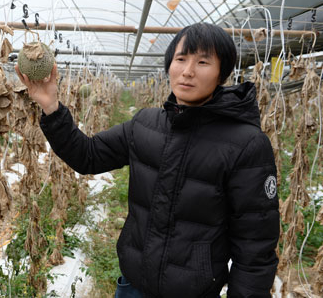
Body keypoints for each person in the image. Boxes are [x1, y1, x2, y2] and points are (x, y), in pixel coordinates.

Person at [15, 23, 280, 298]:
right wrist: (51, 107)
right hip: (133, 286)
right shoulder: (145, 124)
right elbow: (88, 156)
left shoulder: (246, 144)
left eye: (203, 62)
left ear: (221, 73)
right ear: (169, 65)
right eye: (181, 59)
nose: (188, 71)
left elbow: (255, 244)